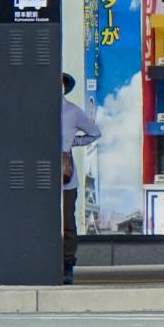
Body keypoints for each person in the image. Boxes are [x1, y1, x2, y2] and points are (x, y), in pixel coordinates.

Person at [60, 74, 102, 283]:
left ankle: (67, 263)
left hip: (65, 171)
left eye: (61, 83)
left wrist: (73, 143)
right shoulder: (37, 110)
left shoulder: (73, 111)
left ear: (65, 87)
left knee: (67, 220)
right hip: (40, 169)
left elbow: (95, 133)